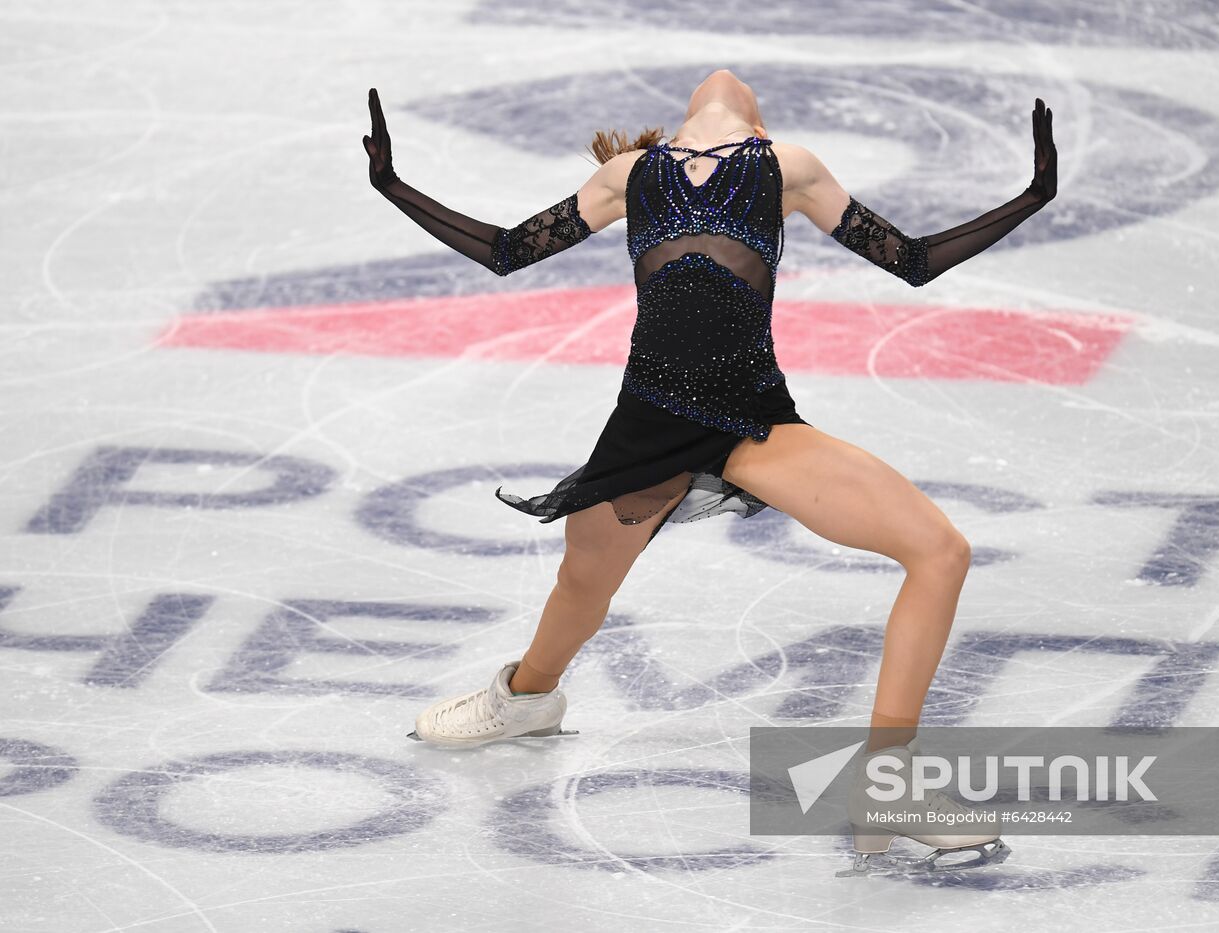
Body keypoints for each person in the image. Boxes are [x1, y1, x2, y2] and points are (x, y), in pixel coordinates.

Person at [364, 69, 1055, 872]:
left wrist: (1031, 195)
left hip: (749, 424)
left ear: (754, 125)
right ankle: (524, 700)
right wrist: (393, 186)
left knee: (940, 550)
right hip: (647, 428)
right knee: (581, 586)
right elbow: (508, 251)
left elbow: (915, 260)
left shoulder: (787, 167)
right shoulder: (629, 175)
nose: (728, 79)